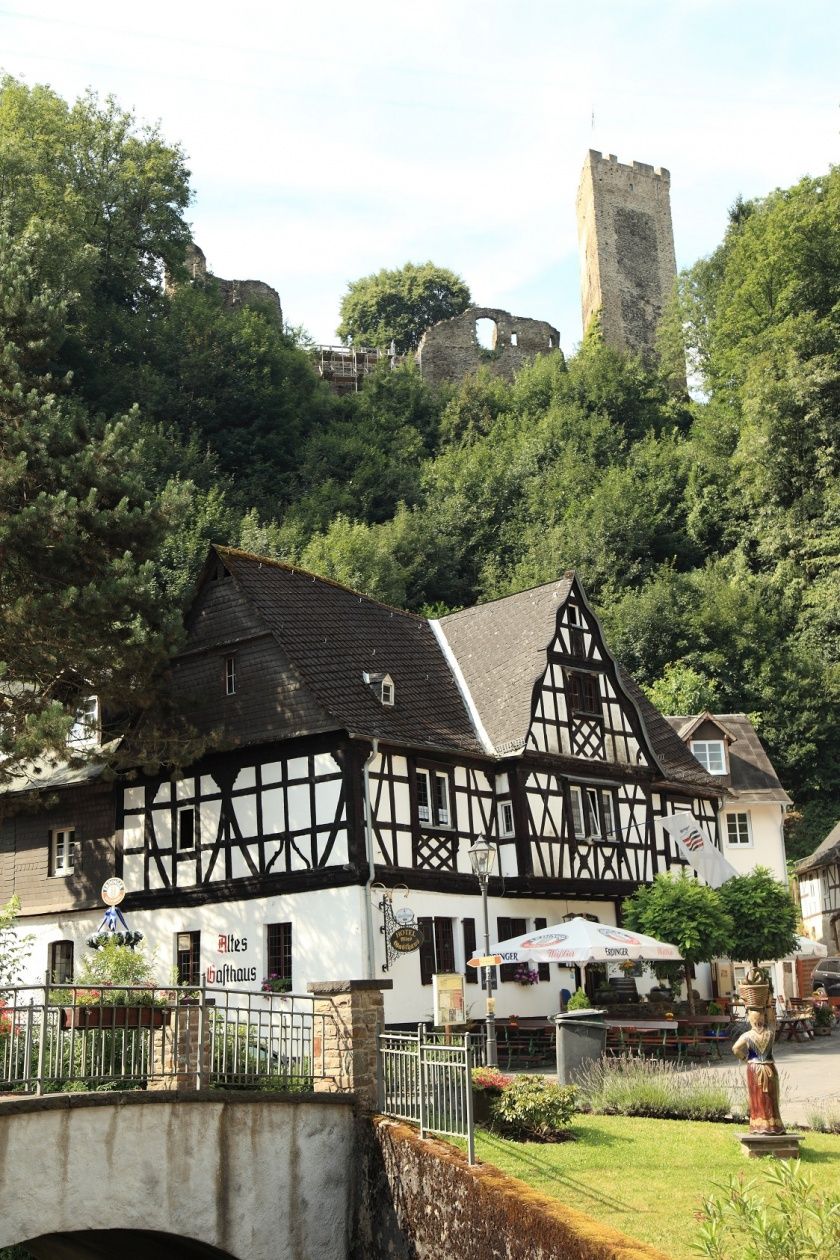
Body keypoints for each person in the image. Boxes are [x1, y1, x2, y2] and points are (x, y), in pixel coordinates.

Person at [732, 1005, 785, 1135]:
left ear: (750, 1019)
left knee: (757, 1097)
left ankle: (758, 1124)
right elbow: (772, 1021)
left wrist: (745, 1059)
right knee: (771, 1097)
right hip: (769, 1066)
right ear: (762, 1018)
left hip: (754, 1068)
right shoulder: (770, 1033)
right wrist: (769, 1005)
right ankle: (773, 1125)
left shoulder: (747, 1035)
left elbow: (735, 1049)